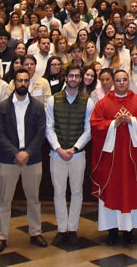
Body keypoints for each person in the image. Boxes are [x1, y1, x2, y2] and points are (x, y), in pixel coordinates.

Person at [0, 67, 49, 252]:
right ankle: (2, 236)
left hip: (32, 160)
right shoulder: (3, 107)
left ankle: (35, 232)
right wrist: (16, 153)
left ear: (29, 83)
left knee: (33, 198)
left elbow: (41, 133)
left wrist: (27, 153)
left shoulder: (38, 107)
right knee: (5, 199)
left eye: (26, 81)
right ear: (14, 83)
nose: (23, 84)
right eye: (19, 80)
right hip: (9, 160)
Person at [90, 69, 137, 244]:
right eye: (118, 80)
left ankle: (129, 231)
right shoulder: (103, 103)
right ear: (113, 82)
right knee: (112, 191)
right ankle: (112, 231)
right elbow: (95, 124)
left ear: (128, 81)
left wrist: (133, 121)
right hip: (111, 159)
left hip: (132, 159)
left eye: (124, 79)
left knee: (130, 192)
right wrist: (114, 123)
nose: (122, 82)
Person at [45, 64, 92, 246]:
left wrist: (75, 148)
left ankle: (72, 229)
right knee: (59, 192)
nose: (73, 79)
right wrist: (58, 149)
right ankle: (61, 229)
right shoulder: (53, 100)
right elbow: (49, 128)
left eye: (77, 76)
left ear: (81, 79)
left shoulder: (87, 101)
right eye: (70, 76)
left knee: (77, 191)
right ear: (66, 78)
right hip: (57, 154)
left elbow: (88, 130)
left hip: (77, 155)